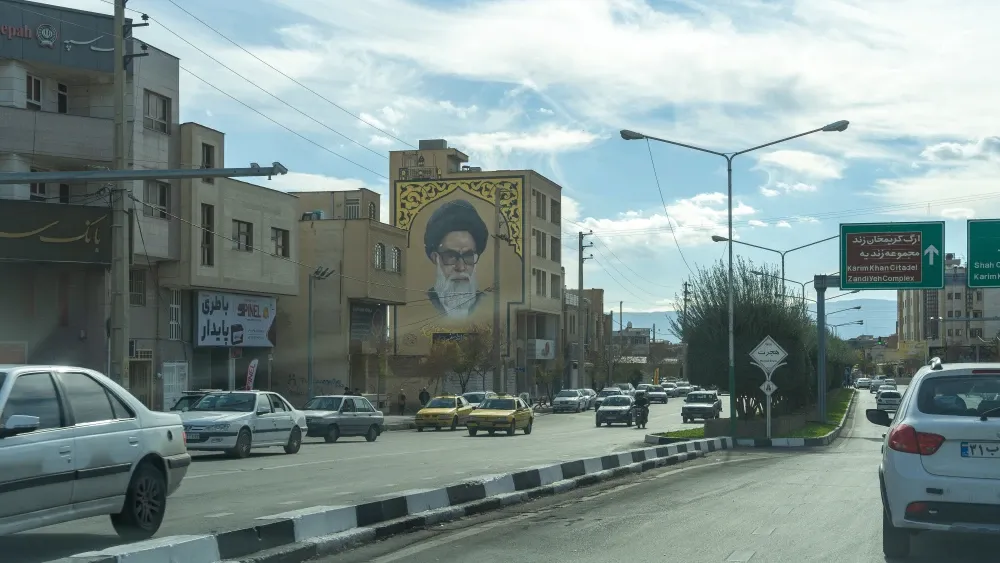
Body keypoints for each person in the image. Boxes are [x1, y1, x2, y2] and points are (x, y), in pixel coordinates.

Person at [422, 200, 487, 318]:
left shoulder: (487, 304)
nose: (460, 267)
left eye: (468, 256)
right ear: (435, 258)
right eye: (451, 256)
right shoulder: (423, 305)